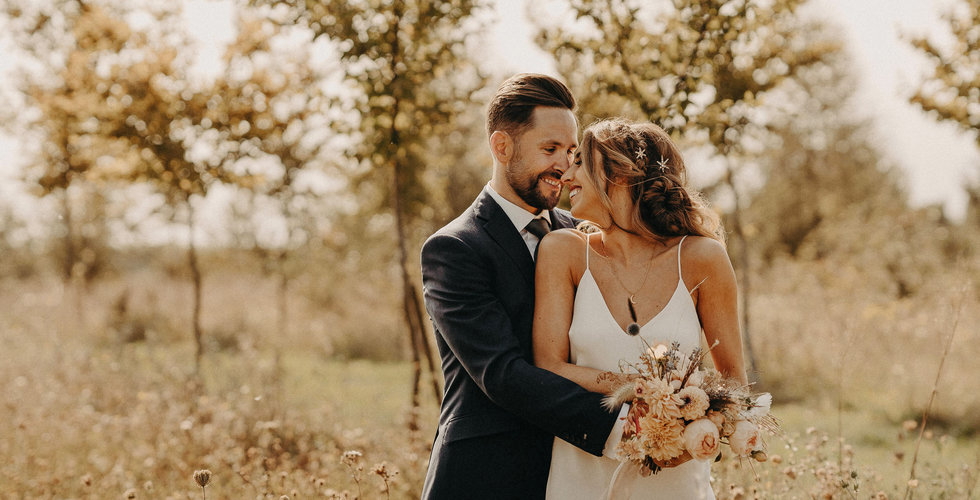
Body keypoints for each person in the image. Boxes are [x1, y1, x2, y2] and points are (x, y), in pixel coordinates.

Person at [419, 74, 623, 499]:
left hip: (577, 474)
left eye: (571, 151)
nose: (565, 166)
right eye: (549, 149)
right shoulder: (454, 249)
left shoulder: (584, 236)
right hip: (485, 476)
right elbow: (502, 374)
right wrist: (619, 428)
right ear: (501, 146)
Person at [533, 118, 748, 499]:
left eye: (580, 161)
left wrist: (697, 433)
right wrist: (635, 388)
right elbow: (548, 366)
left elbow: (734, 385)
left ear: (620, 175)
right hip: (581, 479)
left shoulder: (702, 258)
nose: (565, 175)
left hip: (675, 484)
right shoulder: (562, 252)